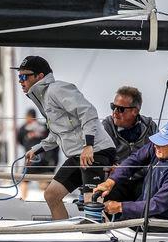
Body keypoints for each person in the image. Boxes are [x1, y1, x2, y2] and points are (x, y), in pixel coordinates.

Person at [16, 55, 116, 220]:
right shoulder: (43, 98)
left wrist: (88, 145)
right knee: (51, 195)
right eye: (19, 77)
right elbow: (58, 133)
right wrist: (38, 148)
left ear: (40, 77)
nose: (20, 81)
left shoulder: (56, 89)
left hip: (96, 150)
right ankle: (63, 234)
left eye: (24, 76)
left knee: (92, 200)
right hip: (78, 154)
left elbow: (88, 111)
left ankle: (104, 238)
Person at [95, 122, 168, 225]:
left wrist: (120, 207)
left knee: (119, 226)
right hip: (147, 210)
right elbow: (134, 160)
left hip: (164, 221)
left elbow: (157, 205)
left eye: (161, 144)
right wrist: (110, 182)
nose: (156, 146)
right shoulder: (161, 149)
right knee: (115, 190)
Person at [101, 86, 158, 202]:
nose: (115, 112)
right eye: (113, 107)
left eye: (120, 109)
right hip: (117, 181)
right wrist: (108, 166)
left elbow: (158, 157)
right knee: (107, 195)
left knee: (151, 194)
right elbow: (101, 155)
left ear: (135, 111)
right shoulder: (107, 125)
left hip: (143, 180)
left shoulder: (150, 126)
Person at [16, 108, 57, 199]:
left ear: (28, 117)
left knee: (24, 180)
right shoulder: (44, 127)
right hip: (45, 160)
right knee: (43, 183)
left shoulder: (24, 128)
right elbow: (53, 142)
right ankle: (47, 201)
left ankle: (23, 199)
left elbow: (19, 141)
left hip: (32, 160)